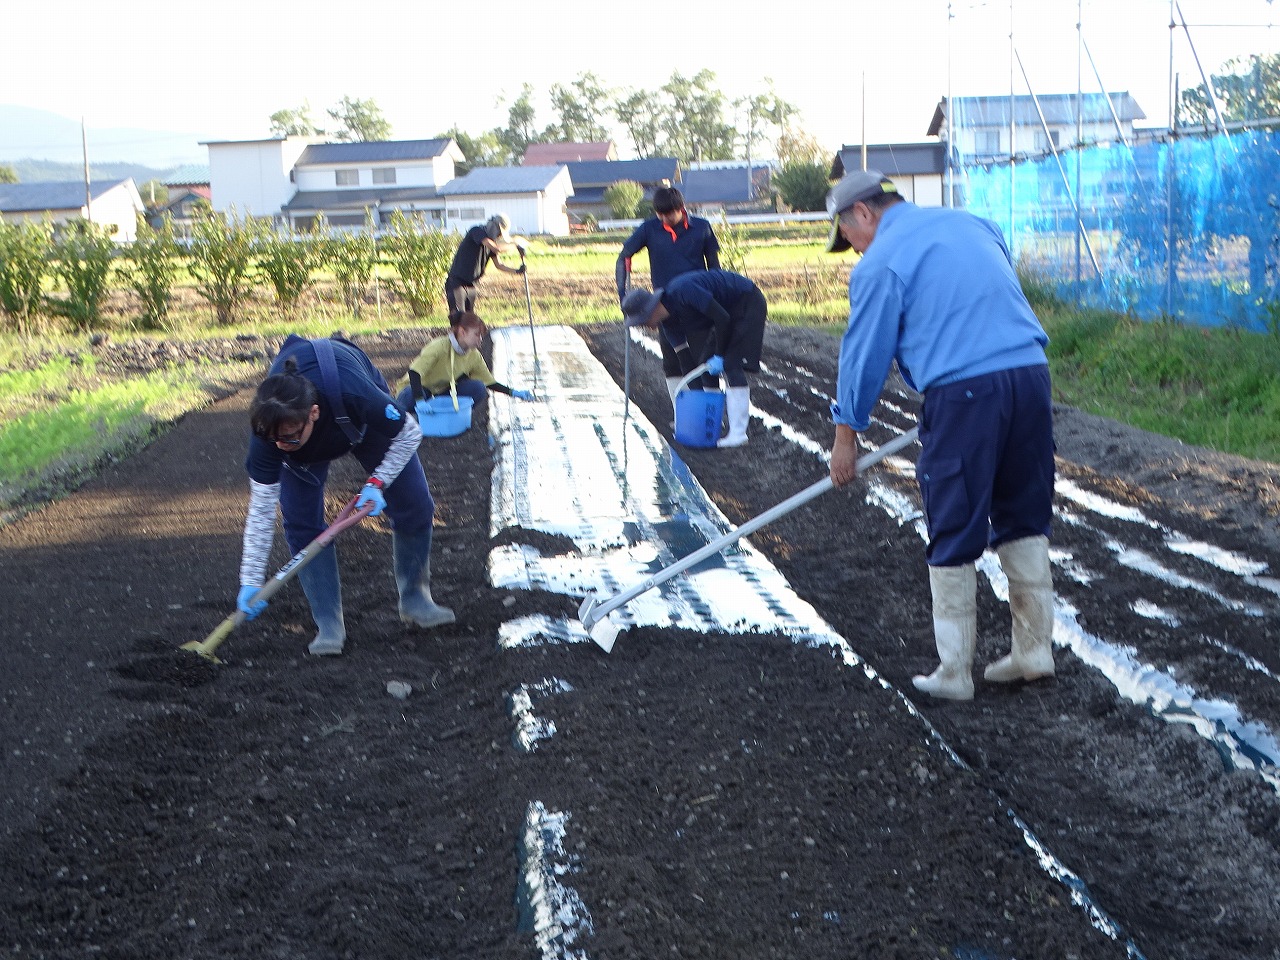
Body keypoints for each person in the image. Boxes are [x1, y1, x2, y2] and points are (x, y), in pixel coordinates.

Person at [825, 169, 1056, 702]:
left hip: (966, 393)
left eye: (850, 236)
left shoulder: (882, 262)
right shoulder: (975, 224)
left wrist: (846, 435)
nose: (854, 250)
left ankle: (954, 672)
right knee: (1023, 510)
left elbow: (863, 357)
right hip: (1030, 376)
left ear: (864, 213)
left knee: (954, 513)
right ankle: (1033, 651)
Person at [237, 334, 455, 657]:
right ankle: (329, 624)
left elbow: (410, 432)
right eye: (274, 442)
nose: (280, 446)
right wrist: (250, 579)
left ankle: (416, 599)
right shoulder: (270, 436)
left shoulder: (360, 396)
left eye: (289, 439)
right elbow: (262, 510)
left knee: (414, 503)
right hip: (307, 452)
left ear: (312, 413)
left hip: (356, 418)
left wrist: (378, 482)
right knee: (301, 524)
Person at [620, 268, 766, 448]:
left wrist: (720, 355)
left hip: (746, 301)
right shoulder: (669, 326)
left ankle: (738, 433)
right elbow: (686, 362)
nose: (644, 326)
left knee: (731, 363)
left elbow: (722, 318)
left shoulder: (683, 291)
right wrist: (698, 406)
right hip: (725, 315)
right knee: (705, 363)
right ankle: (712, 422)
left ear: (649, 310)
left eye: (641, 321)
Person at [616, 185, 721, 408]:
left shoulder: (702, 228)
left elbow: (714, 267)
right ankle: (681, 413)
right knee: (673, 361)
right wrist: (623, 296)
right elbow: (624, 256)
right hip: (665, 305)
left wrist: (717, 295)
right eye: (659, 214)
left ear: (681, 209)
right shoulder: (649, 229)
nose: (664, 218)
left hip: (698, 303)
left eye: (668, 214)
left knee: (704, 360)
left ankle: (712, 414)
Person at [395, 310, 535, 416]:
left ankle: (452, 416)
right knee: (411, 397)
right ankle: (412, 420)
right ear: (462, 332)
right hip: (417, 390)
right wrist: (420, 400)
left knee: (478, 388)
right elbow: (415, 372)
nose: (480, 339)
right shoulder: (439, 347)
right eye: (476, 334)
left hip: (441, 393)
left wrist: (513, 392)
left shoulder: (473, 355)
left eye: (481, 336)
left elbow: (488, 382)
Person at [444, 213, 527, 317]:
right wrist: (515, 244)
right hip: (456, 283)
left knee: (469, 321)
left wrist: (517, 271)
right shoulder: (477, 231)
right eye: (499, 232)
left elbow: (499, 265)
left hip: (471, 285)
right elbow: (498, 249)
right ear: (494, 226)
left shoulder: (491, 243)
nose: (499, 235)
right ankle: (453, 333)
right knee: (458, 318)